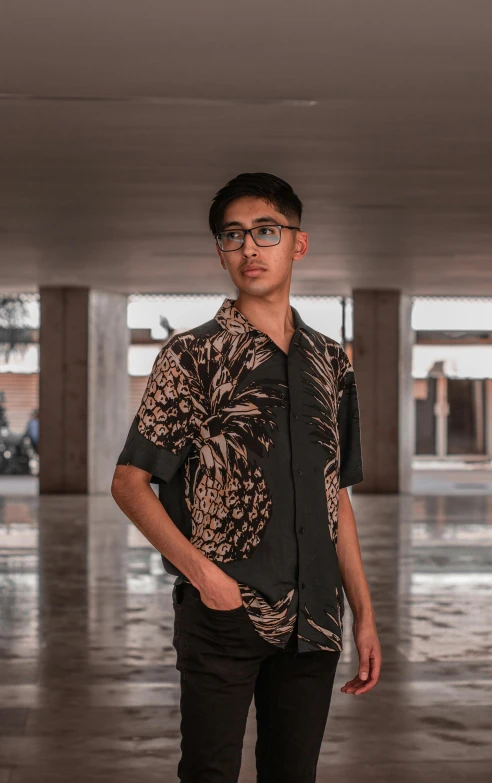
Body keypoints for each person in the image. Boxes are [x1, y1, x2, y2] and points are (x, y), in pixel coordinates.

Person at [111, 172, 381, 782]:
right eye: (233, 237)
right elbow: (130, 481)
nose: (249, 249)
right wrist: (205, 576)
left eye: (265, 231)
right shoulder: (191, 356)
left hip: (314, 621)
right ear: (220, 251)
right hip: (222, 615)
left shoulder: (330, 362)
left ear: (298, 244)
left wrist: (363, 612)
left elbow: (334, 494)